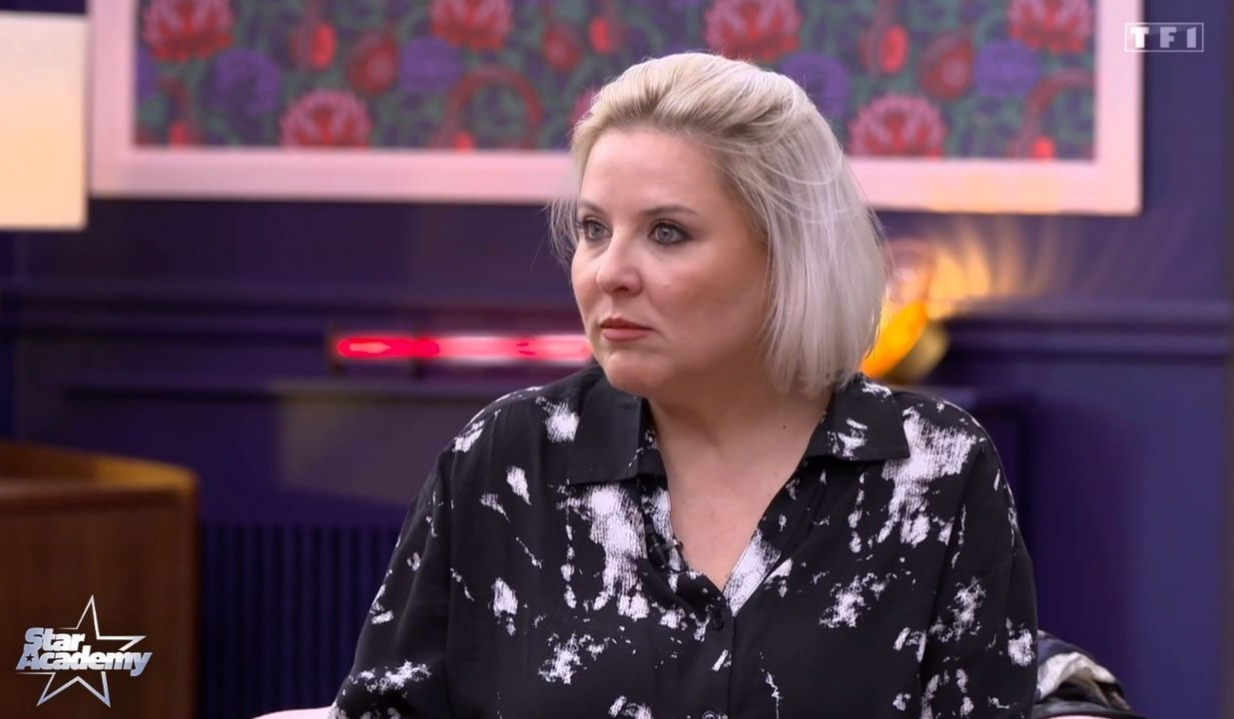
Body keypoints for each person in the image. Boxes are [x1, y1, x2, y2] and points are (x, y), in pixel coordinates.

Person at [328, 51, 1037, 718]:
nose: (609, 272)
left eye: (666, 232)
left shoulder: (936, 468)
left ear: (787, 253)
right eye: (594, 229)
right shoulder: (506, 458)